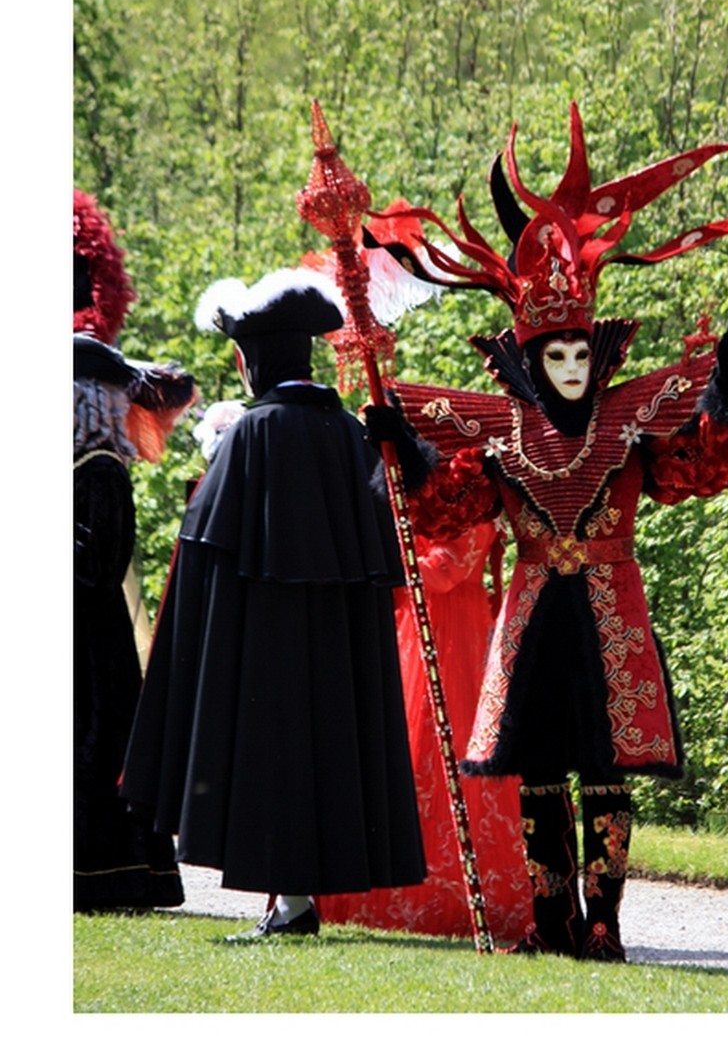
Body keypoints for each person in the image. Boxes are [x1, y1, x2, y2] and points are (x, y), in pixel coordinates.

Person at [366, 102, 728, 961]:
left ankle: (604, 920)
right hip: (535, 610)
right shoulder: (502, 438)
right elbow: (446, 507)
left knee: (606, 771)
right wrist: (403, 447)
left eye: (583, 357)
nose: (573, 371)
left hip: (611, 614)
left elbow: (701, 469)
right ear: (530, 360)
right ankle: (548, 921)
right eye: (557, 359)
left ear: (599, 355)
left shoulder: (629, 431)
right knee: (540, 772)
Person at [120, 267, 426, 937]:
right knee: (327, 751)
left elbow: (204, 540)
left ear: (251, 360)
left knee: (275, 755)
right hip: (336, 638)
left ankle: (292, 904)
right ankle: (297, 900)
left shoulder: (251, 434)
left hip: (262, 636)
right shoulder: (348, 431)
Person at [315, 519, 531, 941]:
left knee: (439, 748)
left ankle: (449, 895)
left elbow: (447, 570)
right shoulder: (412, 479)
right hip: (408, 626)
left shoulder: (473, 489)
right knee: (402, 750)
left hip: (452, 635)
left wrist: (372, 554)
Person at [73, 188, 196, 912]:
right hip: (81, 640)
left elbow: (96, 564)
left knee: (94, 748)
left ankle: (107, 880)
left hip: (91, 642)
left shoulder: (101, 470)